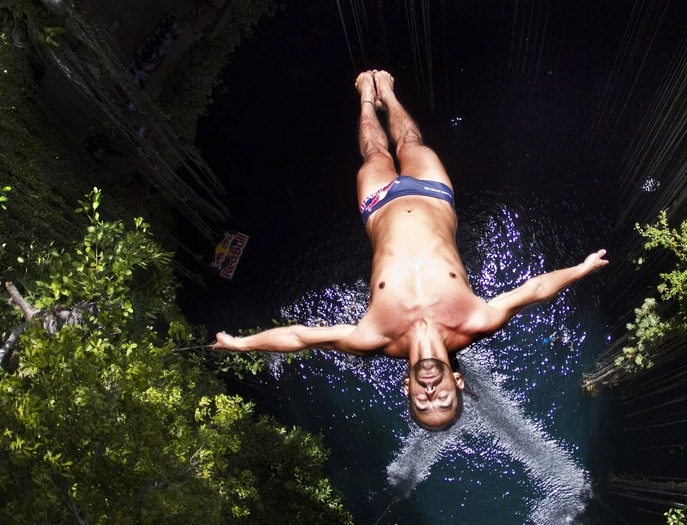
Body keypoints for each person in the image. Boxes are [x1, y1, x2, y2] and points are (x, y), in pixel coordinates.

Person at [214, 70, 608, 431]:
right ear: (457, 381)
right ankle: (387, 90)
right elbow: (535, 291)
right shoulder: (475, 320)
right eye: (443, 399)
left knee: (375, 155)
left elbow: (300, 337)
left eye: (423, 402)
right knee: (410, 141)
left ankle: (367, 99)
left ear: (407, 389)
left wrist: (242, 344)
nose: (432, 394)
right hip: (434, 196)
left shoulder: (374, 337)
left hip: (379, 206)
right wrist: (581, 270)